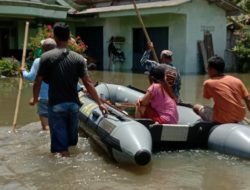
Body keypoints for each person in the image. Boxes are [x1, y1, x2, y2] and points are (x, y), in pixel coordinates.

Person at [31, 22, 108, 157]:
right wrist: (100, 104)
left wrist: (35, 98)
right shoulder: (78, 58)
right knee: (72, 143)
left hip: (56, 105)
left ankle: (65, 174)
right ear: (69, 38)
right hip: (73, 105)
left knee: (61, 149)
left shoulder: (45, 57)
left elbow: (37, 81)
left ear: (55, 37)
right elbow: (88, 83)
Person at [193, 55, 250, 124]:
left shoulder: (208, 83)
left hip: (223, 118)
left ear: (212, 69)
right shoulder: (237, 80)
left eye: (208, 68)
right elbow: (248, 99)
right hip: (240, 116)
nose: (207, 70)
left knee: (196, 107)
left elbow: (207, 97)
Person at [21, 38, 56, 131]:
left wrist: (23, 71)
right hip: (59, 98)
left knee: (46, 127)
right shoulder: (63, 60)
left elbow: (30, 77)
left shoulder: (38, 61)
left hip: (43, 98)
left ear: (43, 50)